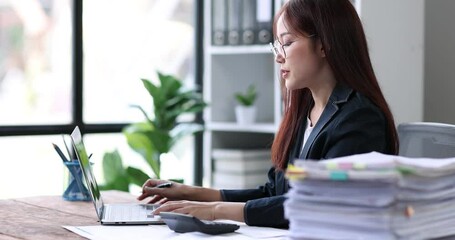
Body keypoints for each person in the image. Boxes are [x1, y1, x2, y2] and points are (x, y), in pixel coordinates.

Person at [137, 0, 399, 229]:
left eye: (287, 43)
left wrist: (215, 211)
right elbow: (275, 192)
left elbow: (321, 205)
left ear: (324, 45)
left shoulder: (359, 119)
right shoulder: (305, 114)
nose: (278, 57)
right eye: (277, 46)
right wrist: (193, 193)